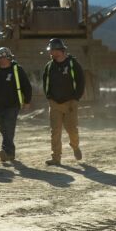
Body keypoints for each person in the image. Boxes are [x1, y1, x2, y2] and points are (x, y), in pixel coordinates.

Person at [0, 47, 32, 162]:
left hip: (13, 105)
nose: (0, 60)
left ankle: (7, 152)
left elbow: (26, 86)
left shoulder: (17, 70)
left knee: (8, 127)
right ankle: (10, 152)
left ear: (9, 58)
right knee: (3, 128)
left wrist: (27, 101)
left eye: (3, 57)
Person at [43, 38, 85, 166]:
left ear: (60, 51)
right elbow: (45, 83)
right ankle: (56, 157)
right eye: (50, 51)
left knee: (72, 130)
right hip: (55, 104)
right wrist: (49, 98)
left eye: (52, 50)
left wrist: (76, 98)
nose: (50, 53)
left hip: (70, 103)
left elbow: (81, 81)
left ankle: (75, 146)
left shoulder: (72, 64)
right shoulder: (49, 66)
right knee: (55, 131)